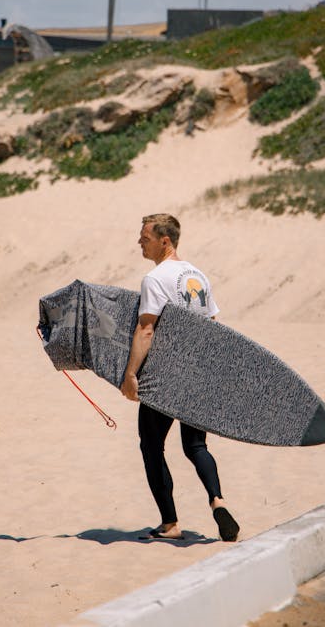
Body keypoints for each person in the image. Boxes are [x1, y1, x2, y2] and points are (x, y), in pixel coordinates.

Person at [121, 213, 240, 542]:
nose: (139, 241)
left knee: (151, 446)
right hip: (199, 372)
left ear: (165, 241)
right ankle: (218, 500)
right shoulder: (197, 275)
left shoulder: (155, 278)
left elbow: (146, 329)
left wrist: (131, 373)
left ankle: (170, 524)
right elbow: (213, 323)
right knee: (196, 445)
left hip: (167, 376)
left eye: (145, 236)